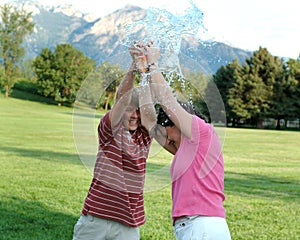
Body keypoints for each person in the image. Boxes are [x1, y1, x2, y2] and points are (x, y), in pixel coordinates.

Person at [142, 43, 232, 240]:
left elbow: (167, 100)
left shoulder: (201, 133)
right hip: (193, 227)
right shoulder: (186, 150)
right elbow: (148, 123)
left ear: (173, 123)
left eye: (165, 127)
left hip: (202, 225)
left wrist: (153, 64)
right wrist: (143, 74)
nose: (163, 135)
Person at [72, 43, 156, 240]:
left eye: (137, 110)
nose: (134, 115)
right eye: (130, 109)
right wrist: (133, 67)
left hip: (128, 225)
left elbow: (148, 112)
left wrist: (145, 73)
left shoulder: (144, 138)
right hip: (96, 220)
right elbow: (122, 99)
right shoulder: (110, 131)